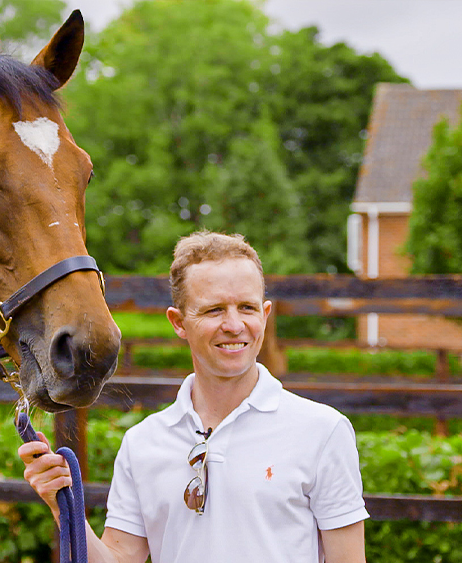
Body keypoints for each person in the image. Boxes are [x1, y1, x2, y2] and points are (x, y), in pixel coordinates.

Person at [19, 230, 369, 563]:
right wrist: (62, 504)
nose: (234, 325)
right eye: (214, 310)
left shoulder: (323, 432)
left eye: (247, 308)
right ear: (178, 322)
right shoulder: (142, 444)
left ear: (265, 315)